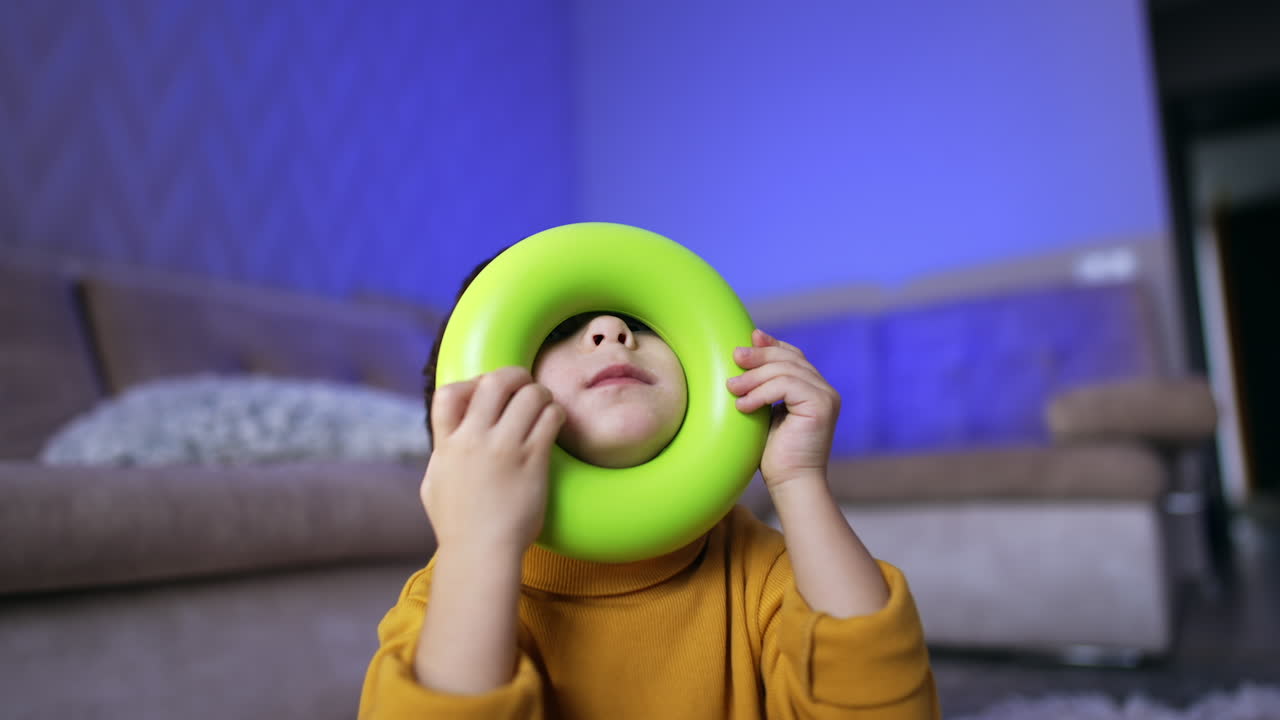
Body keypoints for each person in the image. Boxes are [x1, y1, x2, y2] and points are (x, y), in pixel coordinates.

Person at [358, 256, 940, 719]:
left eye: (637, 321)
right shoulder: (452, 596)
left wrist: (800, 480)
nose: (611, 330)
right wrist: (477, 546)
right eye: (558, 330)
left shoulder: (761, 570)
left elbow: (878, 703)